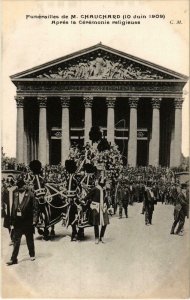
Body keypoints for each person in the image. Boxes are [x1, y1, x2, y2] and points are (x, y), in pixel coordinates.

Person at [6, 179, 38, 266]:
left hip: (28, 221)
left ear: (24, 187)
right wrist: (12, 221)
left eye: (22, 187)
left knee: (29, 240)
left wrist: (34, 220)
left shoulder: (31, 195)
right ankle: (13, 259)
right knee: (16, 241)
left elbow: (35, 209)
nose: (21, 189)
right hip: (18, 222)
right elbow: (13, 208)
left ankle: (32, 254)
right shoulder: (15, 194)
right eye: (19, 187)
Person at [83, 175, 110, 244]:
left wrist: (109, 206)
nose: (103, 183)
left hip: (103, 207)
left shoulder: (104, 190)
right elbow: (88, 196)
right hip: (96, 207)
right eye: (103, 182)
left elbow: (106, 198)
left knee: (105, 222)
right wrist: (84, 200)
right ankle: (97, 237)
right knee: (96, 223)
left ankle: (102, 236)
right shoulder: (95, 189)